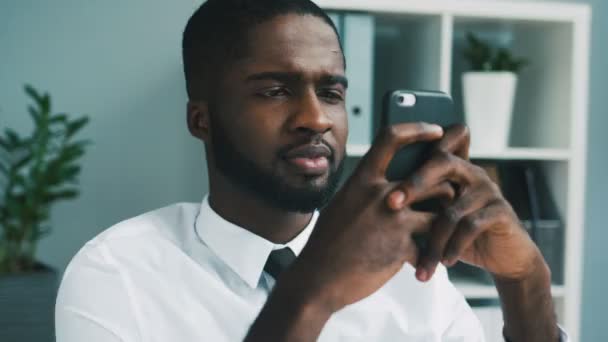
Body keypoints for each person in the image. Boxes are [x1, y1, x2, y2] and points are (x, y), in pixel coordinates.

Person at [55, 0, 567, 341]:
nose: (316, 118)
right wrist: (312, 289)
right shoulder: (116, 275)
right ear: (201, 119)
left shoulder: (413, 276)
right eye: (275, 90)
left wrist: (527, 283)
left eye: (331, 92)